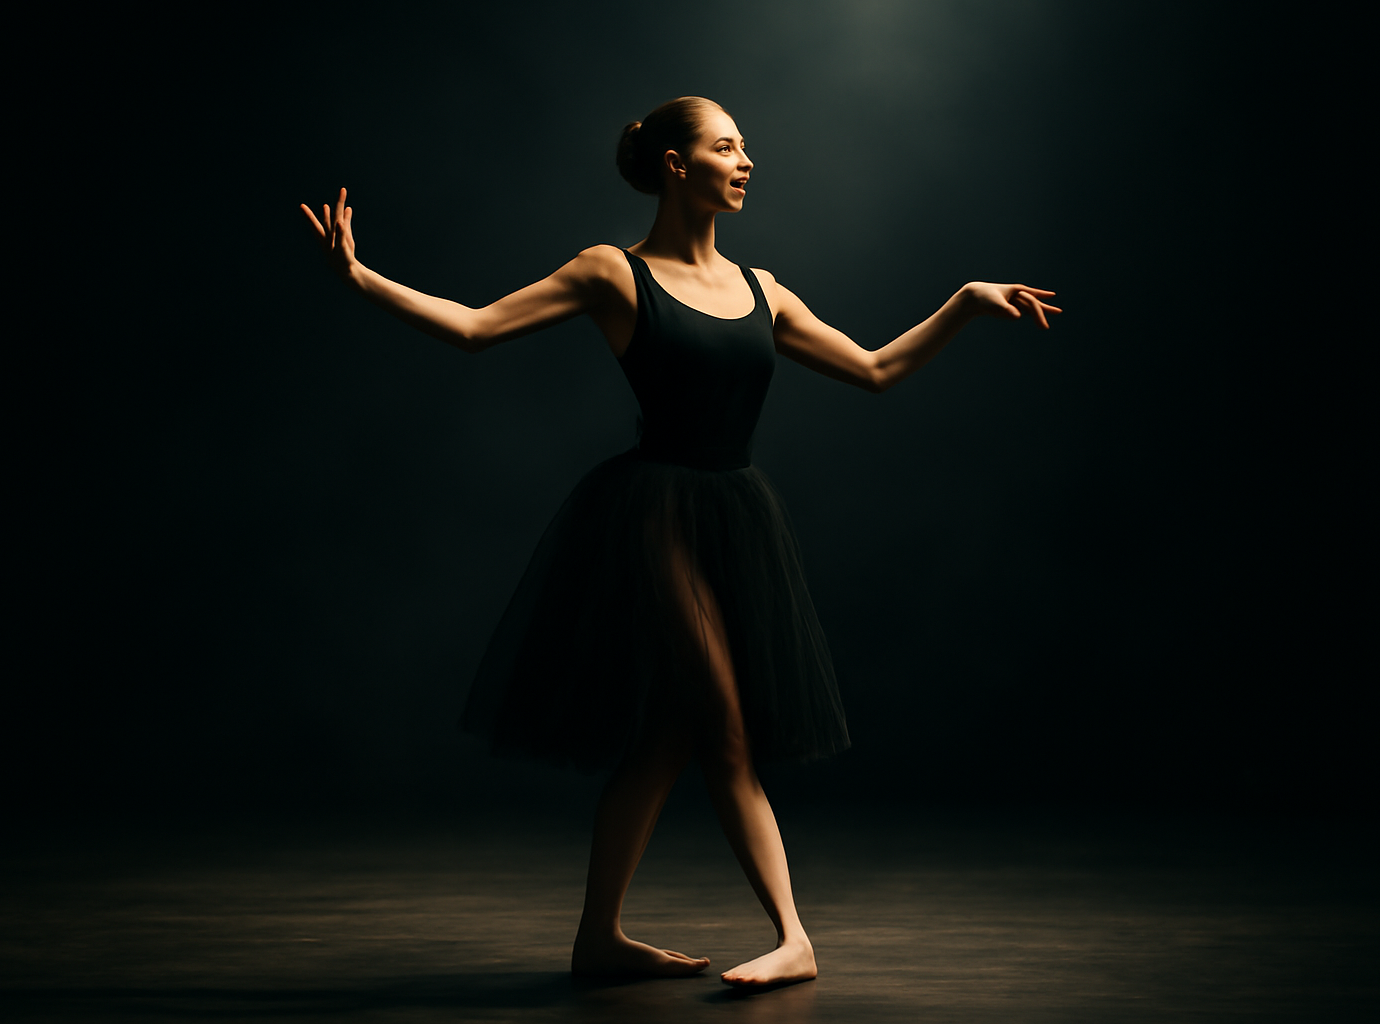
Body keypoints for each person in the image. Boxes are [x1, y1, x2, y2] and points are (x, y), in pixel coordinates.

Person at [300, 95, 1059, 989]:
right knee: (723, 726)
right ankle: (794, 936)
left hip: (737, 515)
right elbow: (474, 329)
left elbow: (875, 370)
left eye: (746, 149)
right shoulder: (611, 274)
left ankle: (597, 939)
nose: (745, 163)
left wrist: (965, 304)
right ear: (673, 164)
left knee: (666, 737)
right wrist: (359, 278)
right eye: (726, 147)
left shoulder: (762, 289)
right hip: (654, 513)